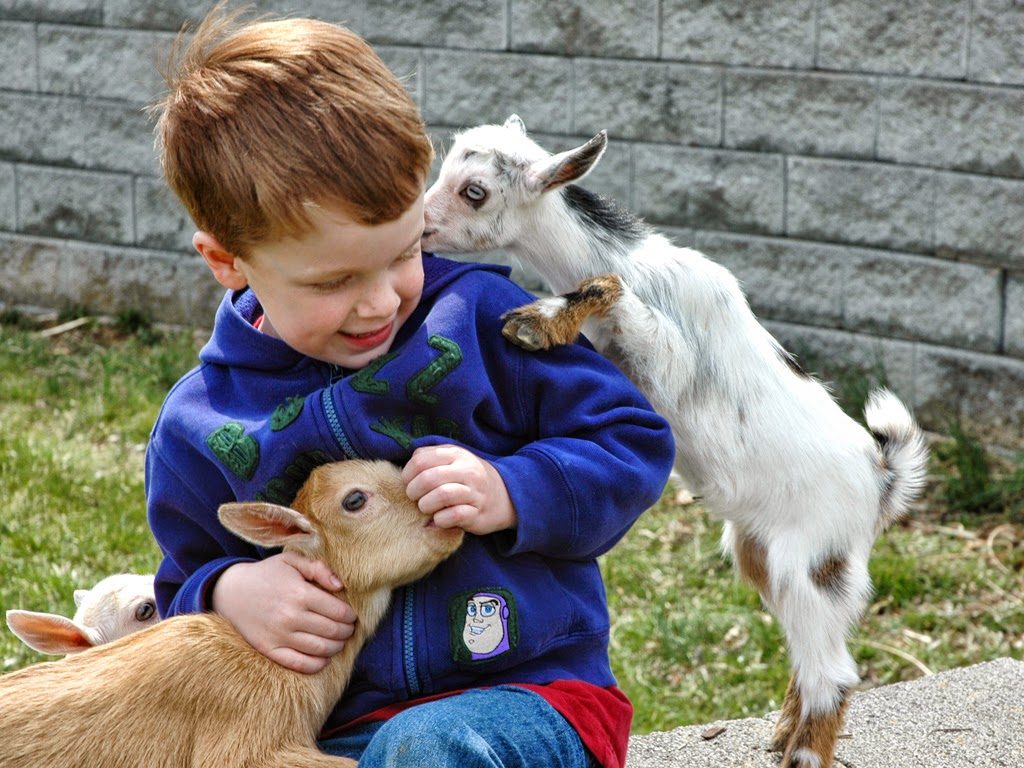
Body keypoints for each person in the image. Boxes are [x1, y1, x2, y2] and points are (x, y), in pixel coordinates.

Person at [145, 8, 675, 768]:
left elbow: (631, 439)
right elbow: (180, 584)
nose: (380, 301)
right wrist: (228, 592)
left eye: (402, 252)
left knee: (424, 749)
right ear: (227, 261)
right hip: (326, 731)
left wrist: (513, 487)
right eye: (333, 280)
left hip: (527, 699)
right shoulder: (202, 423)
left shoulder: (485, 322)